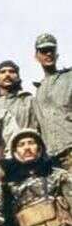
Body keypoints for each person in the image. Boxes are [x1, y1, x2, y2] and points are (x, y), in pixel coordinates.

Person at [32, 33, 72, 171]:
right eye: (44, 51)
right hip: (51, 159)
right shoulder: (38, 90)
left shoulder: (69, 78)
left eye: (51, 50)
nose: (48, 54)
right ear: (36, 56)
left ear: (57, 54)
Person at [0, 60, 38, 130]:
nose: (7, 74)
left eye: (12, 71)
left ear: (18, 77)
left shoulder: (29, 101)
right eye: (3, 72)